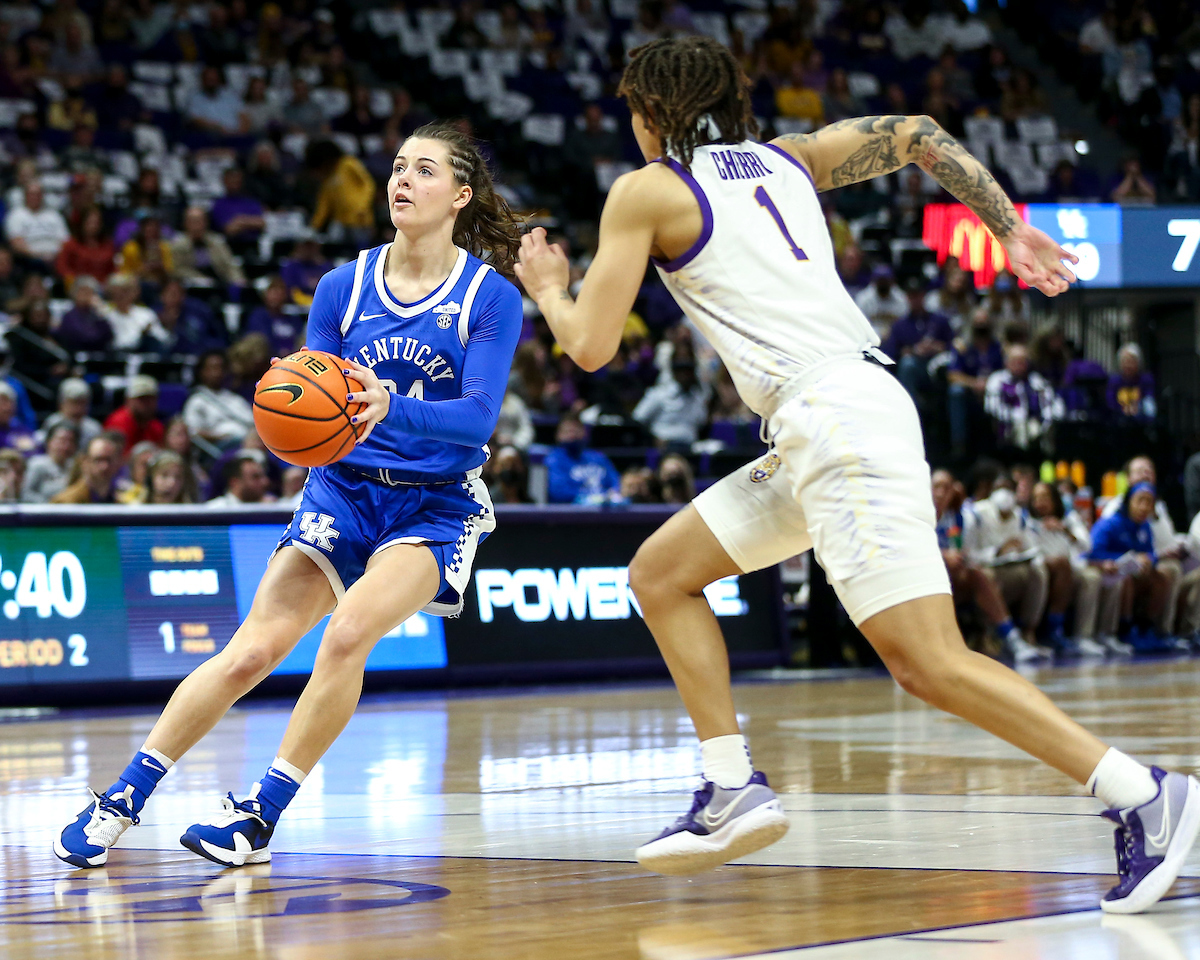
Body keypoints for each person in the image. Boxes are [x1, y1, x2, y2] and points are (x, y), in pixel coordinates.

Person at [514, 36, 1197, 912]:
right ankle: (730, 785)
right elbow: (914, 132)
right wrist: (1006, 225)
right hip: (830, 419)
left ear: (651, 111)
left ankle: (1144, 793)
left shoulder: (646, 190)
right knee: (662, 573)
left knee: (927, 663)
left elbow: (592, 347)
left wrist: (547, 284)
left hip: (833, 420)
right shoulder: (787, 159)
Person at [56, 122, 524, 871]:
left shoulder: (489, 298)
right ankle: (122, 797)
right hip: (342, 488)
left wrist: (385, 406)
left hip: (434, 503)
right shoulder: (344, 286)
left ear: (460, 196)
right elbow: (313, 404)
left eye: (424, 170)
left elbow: (476, 418)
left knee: (347, 635)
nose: (402, 179)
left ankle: (258, 816)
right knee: (252, 652)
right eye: (397, 166)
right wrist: (287, 400)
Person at [1027, 480, 1112, 656]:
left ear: (1055, 500)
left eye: (1045, 497)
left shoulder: (1069, 519)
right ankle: (1051, 631)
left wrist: (1065, 530)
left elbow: (1087, 546)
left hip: (1069, 568)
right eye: (1036, 498)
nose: (1040, 502)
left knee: (1091, 577)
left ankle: (1083, 637)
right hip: (1041, 568)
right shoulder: (1028, 522)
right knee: (1061, 566)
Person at [1089, 483, 1170, 651]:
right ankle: (1125, 630)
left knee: (1160, 579)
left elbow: (1150, 552)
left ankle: (1147, 628)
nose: (1144, 507)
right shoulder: (1110, 523)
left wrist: (1149, 559)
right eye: (1140, 501)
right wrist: (1124, 558)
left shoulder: (1145, 527)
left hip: (1133, 573)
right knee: (1126, 580)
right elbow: (1093, 552)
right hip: (1109, 571)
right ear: (1128, 501)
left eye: (1149, 502)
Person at [984, 343, 1063, 456]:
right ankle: (1023, 457)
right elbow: (992, 406)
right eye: (1015, 361)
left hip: (1036, 422)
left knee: (1044, 428)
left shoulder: (1036, 380)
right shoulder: (997, 379)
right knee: (1023, 429)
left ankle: (1046, 456)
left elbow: (1052, 401)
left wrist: (1048, 418)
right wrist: (1016, 417)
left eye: (1022, 361)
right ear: (1006, 362)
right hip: (1008, 425)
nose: (1019, 365)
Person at [631, 358, 710, 449]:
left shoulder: (698, 397)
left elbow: (701, 424)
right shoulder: (659, 394)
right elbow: (637, 419)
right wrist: (652, 439)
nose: (686, 376)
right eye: (682, 372)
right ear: (675, 373)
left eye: (689, 372)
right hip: (665, 445)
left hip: (690, 446)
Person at [183, 350, 255, 447]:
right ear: (202, 372)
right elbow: (192, 431)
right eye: (213, 368)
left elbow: (252, 423)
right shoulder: (197, 400)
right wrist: (220, 437)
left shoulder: (235, 398)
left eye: (221, 368)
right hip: (220, 448)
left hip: (248, 442)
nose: (217, 372)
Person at [544, 414, 622, 504]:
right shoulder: (554, 459)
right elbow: (558, 492)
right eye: (568, 431)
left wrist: (610, 495)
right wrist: (591, 497)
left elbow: (615, 482)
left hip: (605, 510)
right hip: (571, 513)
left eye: (576, 431)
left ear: (584, 432)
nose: (572, 435)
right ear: (558, 435)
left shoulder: (598, 457)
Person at [169, 206, 246, 288]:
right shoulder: (177, 244)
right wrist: (200, 279)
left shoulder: (217, 241)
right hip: (192, 286)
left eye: (199, 221)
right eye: (193, 221)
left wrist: (238, 280)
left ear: (206, 223)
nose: (196, 225)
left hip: (219, 283)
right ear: (185, 223)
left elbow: (229, 265)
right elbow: (177, 270)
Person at [4, 182, 70, 269]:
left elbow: (65, 241)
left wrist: (54, 255)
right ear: (25, 195)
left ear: (42, 196)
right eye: (31, 194)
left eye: (38, 194)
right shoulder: (16, 215)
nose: (35, 197)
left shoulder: (54, 215)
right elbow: (16, 244)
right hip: (29, 260)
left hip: (57, 258)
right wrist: (41, 256)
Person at [50, 433, 122, 504]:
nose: (104, 466)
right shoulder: (65, 502)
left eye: (109, 460)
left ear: (118, 462)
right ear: (85, 462)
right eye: (98, 460)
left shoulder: (124, 500)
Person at [104, 374, 164, 453]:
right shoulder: (117, 423)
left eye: (150, 399)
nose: (146, 403)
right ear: (128, 400)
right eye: (141, 399)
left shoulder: (156, 427)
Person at [22, 422, 79, 502]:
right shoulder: (37, 464)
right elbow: (25, 493)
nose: (66, 446)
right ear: (49, 441)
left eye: (71, 441)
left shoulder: (77, 466)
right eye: (61, 440)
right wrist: (51, 504)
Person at [40, 378, 102, 449]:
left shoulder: (94, 429)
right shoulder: (51, 423)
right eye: (74, 403)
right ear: (61, 403)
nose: (78, 409)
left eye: (82, 403)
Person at [1107, 343, 1155, 421]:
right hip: (1118, 419)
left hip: (1140, 416)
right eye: (1125, 361)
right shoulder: (1114, 381)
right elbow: (1110, 402)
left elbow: (1149, 399)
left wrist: (1138, 408)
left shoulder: (1145, 379)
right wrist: (1122, 409)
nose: (1128, 365)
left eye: (1132, 361)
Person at [205, 453, 272, 506]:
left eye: (263, 476)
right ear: (235, 482)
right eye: (255, 477)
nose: (265, 482)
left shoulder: (272, 507)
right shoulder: (214, 510)